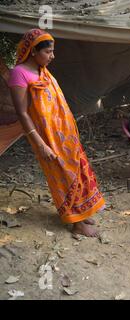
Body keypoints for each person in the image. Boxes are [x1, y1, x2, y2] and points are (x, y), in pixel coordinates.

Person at [8, 29, 105, 237]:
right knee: (63, 176)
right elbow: (22, 113)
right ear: (33, 51)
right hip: (47, 138)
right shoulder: (19, 73)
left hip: (65, 135)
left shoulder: (43, 71)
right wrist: (41, 144)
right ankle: (76, 223)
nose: (52, 56)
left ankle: (82, 212)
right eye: (48, 52)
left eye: (53, 51)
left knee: (77, 170)